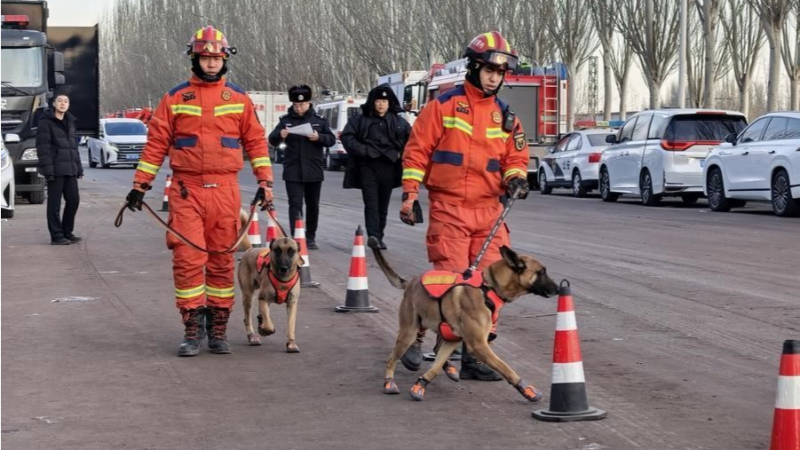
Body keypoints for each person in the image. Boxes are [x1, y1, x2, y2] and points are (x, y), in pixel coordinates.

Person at [124, 26, 274, 357]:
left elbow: (256, 142)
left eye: (216, 58)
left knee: (221, 261)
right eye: (205, 58)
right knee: (188, 260)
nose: (211, 64)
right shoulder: (175, 98)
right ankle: (192, 329)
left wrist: (265, 182)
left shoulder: (238, 99)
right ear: (195, 58)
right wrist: (140, 186)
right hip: (186, 190)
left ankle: (218, 329)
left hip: (225, 191)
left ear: (224, 59)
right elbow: (156, 145)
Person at [398, 31, 531, 380]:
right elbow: (417, 152)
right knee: (451, 280)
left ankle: (476, 352)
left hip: (489, 211)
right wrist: (410, 194)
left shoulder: (506, 117)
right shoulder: (442, 106)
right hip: (449, 207)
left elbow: (515, 156)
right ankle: (417, 334)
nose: (494, 77)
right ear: (473, 68)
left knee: (495, 285)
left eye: (500, 73)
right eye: (489, 70)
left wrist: (516, 177)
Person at [341, 84, 411, 249]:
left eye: (385, 101)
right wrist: (364, 150)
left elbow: (412, 140)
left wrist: (400, 153)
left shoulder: (399, 122)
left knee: (383, 204)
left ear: (389, 103)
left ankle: (379, 235)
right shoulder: (360, 120)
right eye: (378, 101)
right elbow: (347, 138)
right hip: (367, 167)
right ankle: (373, 235)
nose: (381, 104)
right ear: (373, 102)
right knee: (371, 203)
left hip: (389, 167)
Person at [268, 85, 335, 249]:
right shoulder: (285, 120)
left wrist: (318, 137)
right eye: (296, 105)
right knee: (295, 204)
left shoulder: (319, 120)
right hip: (293, 170)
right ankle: (296, 236)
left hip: (314, 169)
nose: (299, 108)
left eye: (302, 104)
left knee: (313, 205)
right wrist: (280, 135)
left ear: (309, 103)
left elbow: (331, 140)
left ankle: (310, 236)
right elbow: (272, 139)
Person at [37, 93, 83, 245]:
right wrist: (47, 170)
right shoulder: (46, 123)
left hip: (70, 169)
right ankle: (56, 236)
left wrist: (79, 168)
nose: (63, 103)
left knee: (74, 200)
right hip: (55, 170)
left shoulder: (70, 122)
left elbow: (73, 148)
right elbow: (43, 149)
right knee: (54, 204)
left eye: (66, 101)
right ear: (54, 104)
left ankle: (67, 232)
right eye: (60, 101)